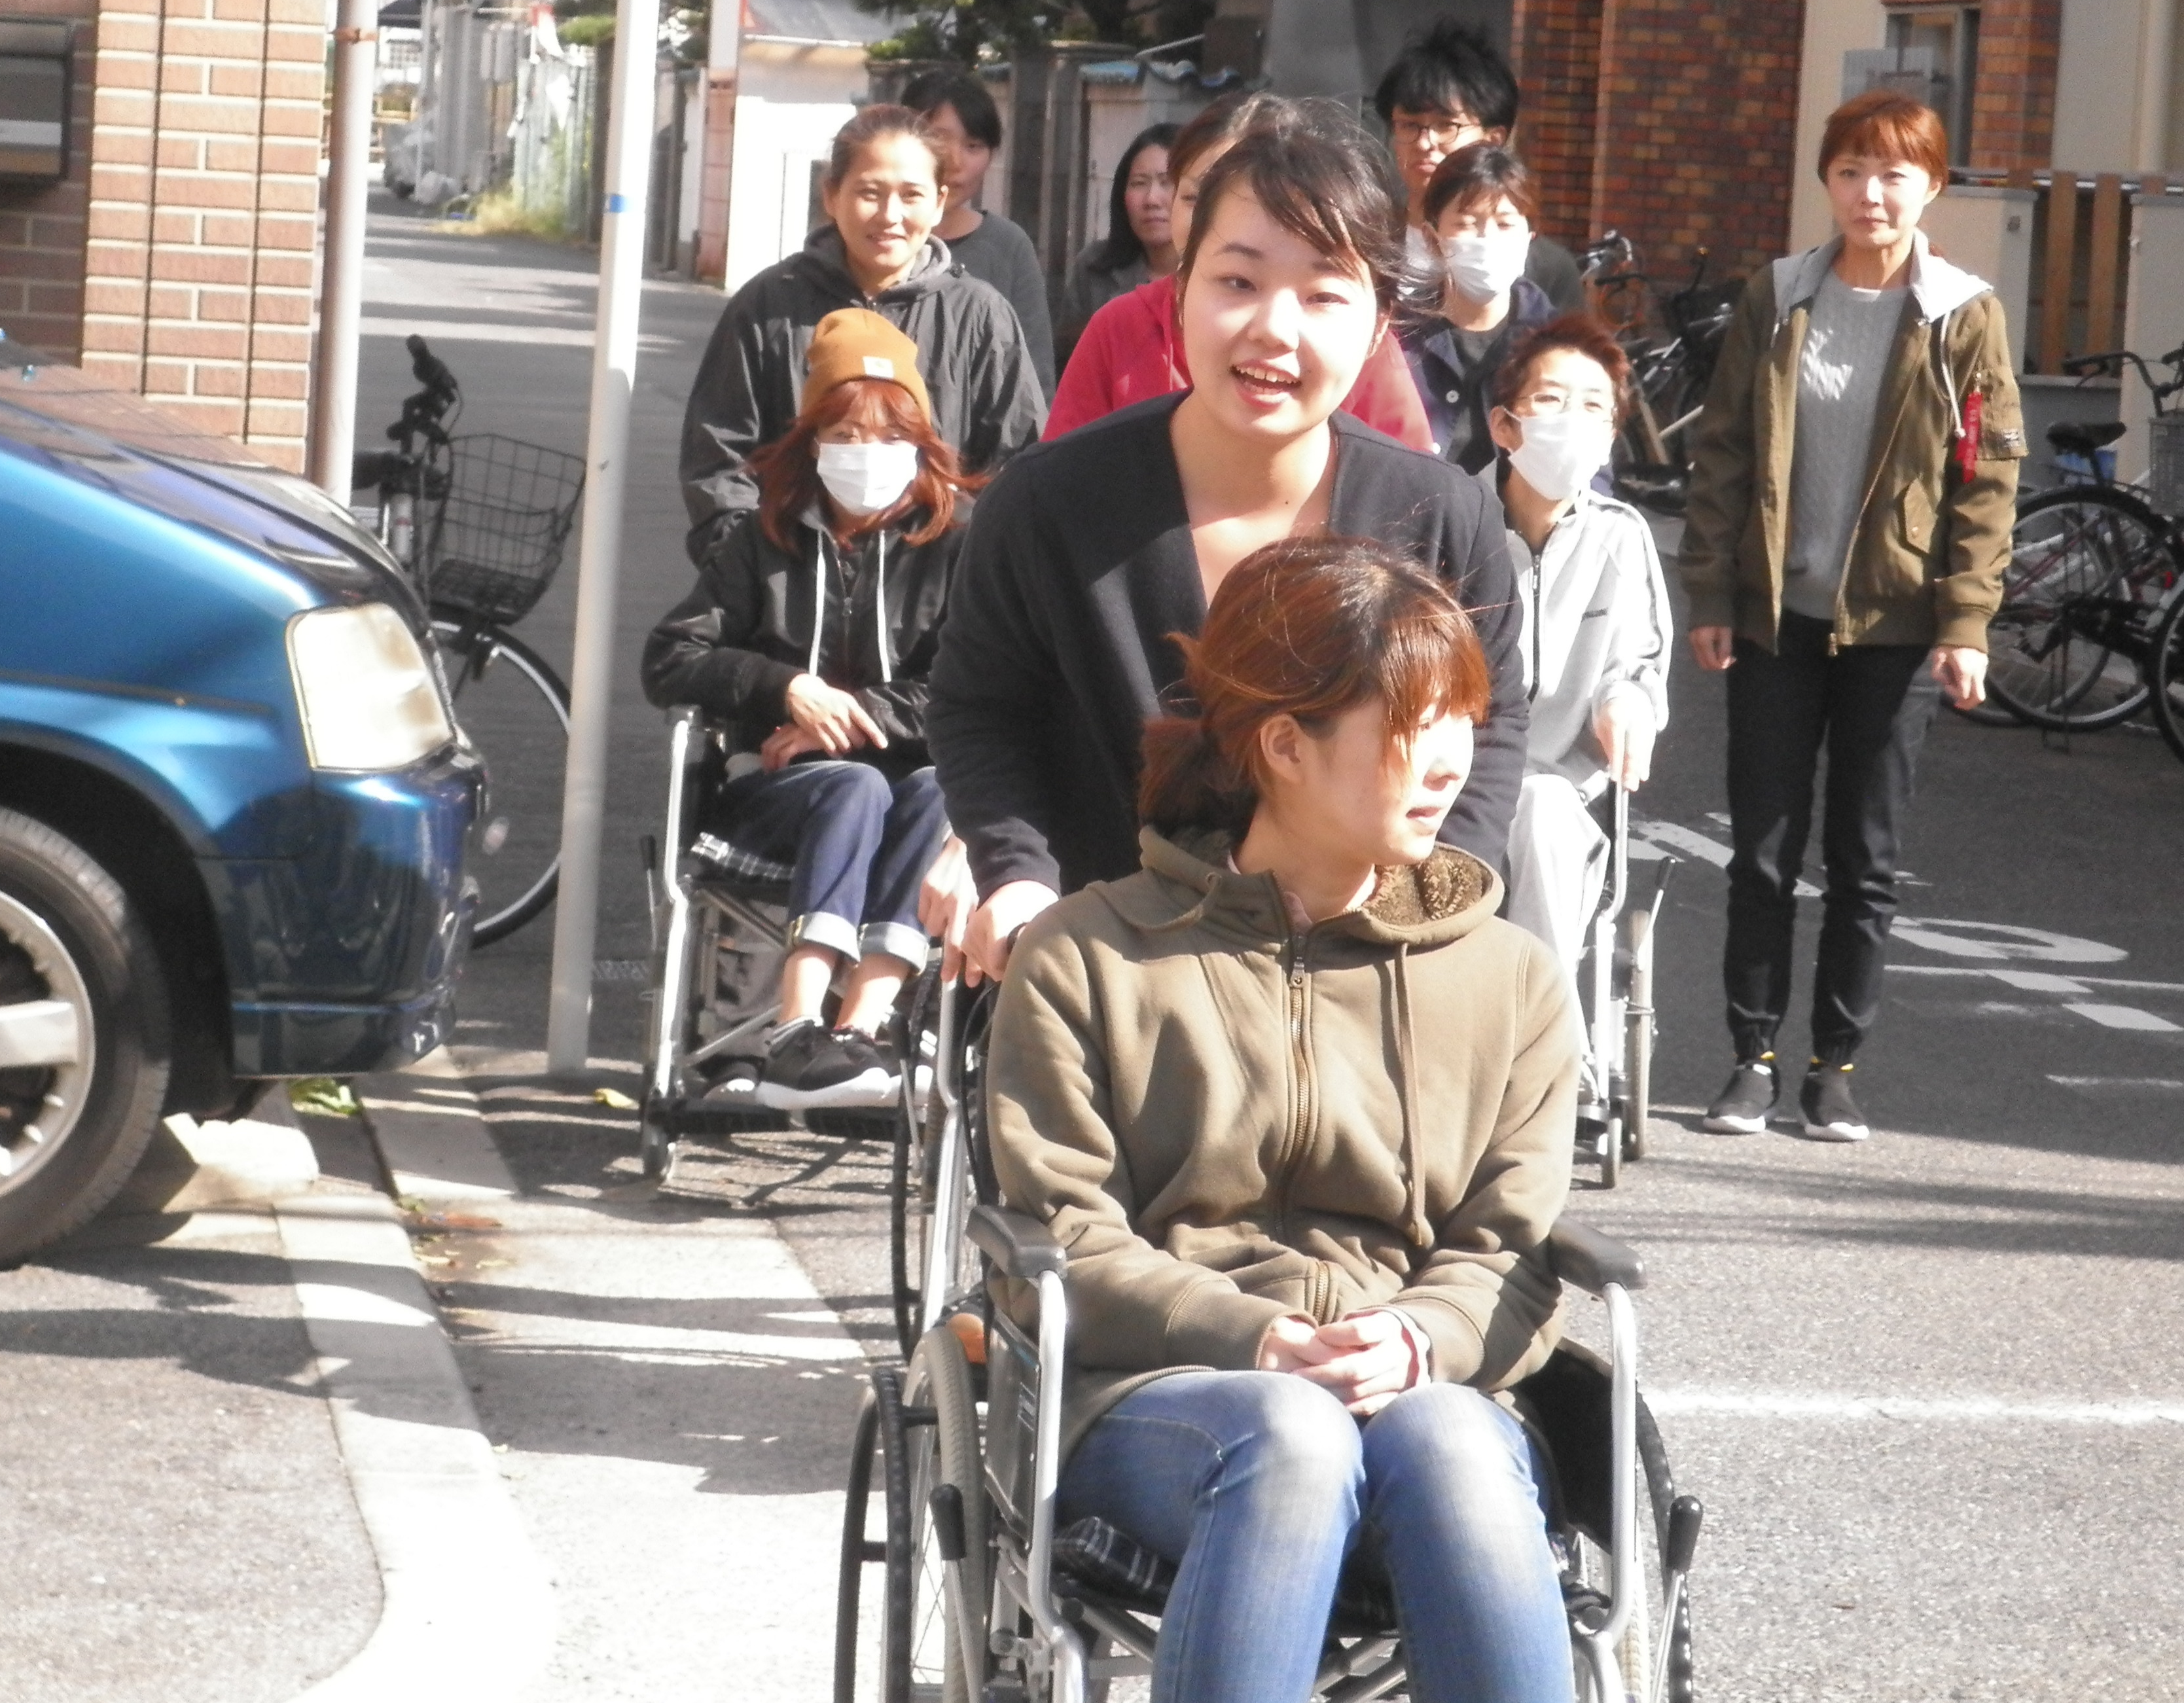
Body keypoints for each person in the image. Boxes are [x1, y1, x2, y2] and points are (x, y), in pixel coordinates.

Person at [988, 534, 1581, 1703]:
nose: (1449, 761)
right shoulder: (1088, 954)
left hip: (1422, 1389)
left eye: (1462, 720)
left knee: (1452, 1440)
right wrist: (1253, 1336)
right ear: (1283, 745)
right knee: (1290, 1436)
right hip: (1157, 1399)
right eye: (1410, 724)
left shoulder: (1508, 977)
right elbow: (1061, 1235)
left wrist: (1416, 1337)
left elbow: (1508, 1245)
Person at [925, 100, 1528, 984]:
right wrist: (1017, 875)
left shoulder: (1442, 515)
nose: (1273, 329)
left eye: (1323, 294)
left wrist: (1429, 907)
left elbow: (1491, 722)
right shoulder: (1047, 504)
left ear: (1377, 325)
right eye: (1237, 282)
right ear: (1178, 293)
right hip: (1106, 981)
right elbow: (979, 708)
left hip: (1359, 978)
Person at [1679, 89, 2024, 1143]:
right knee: (1762, 853)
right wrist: (1714, 592)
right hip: (1778, 617)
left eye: (1895, 174)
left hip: (1899, 626)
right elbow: (1724, 450)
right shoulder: (1780, 293)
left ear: (1933, 186)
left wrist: (1966, 623)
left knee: (1865, 863)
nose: (1872, 193)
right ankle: (1751, 1059)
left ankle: (1835, 1069)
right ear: (1826, 181)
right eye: (1850, 172)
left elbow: (1987, 480)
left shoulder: (1962, 313)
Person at [643, 312, 974, 1109]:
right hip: (776, 795)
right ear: (813, 442)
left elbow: (969, 684)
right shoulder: (760, 540)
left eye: (887, 434)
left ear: (920, 443)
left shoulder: (958, 546)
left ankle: (856, 1032)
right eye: (845, 434)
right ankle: (795, 1032)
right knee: (850, 787)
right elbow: (669, 658)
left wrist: (851, 713)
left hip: (906, 792)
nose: (866, 453)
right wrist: (783, 687)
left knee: (930, 790)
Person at [677, 103, 1044, 560]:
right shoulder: (768, 307)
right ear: (832, 195)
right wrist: (753, 569)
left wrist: (964, 568)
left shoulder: (979, 316)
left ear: (939, 202)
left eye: (911, 195)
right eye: (870, 193)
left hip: (937, 591)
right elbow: (719, 458)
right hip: (787, 584)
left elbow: (1016, 464)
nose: (890, 215)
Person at [1483, 313, 1672, 1105]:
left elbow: (1638, 663)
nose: (1572, 421)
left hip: (1563, 790)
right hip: (1453, 783)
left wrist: (1626, 702)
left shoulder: (1620, 537)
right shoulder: (1452, 520)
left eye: (1594, 407)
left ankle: (1547, 1057)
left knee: (1540, 808)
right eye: (1551, 400)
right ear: (1505, 426)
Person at [1043, 92, 1433, 451]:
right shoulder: (1119, 325)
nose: (1275, 331)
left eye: (1322, 296)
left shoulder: (1352, 337)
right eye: (1196, 197)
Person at [1373, 17, 1584, 314]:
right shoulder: (1368, 244)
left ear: (1494, 139)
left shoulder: (1546, 269)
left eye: (1447, 126)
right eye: (1409, 125)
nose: (1425, 143)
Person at [1395, 143, 1559, 471]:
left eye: (1505, 224)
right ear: (1432, 239)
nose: (1487, 239)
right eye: (1466, 224)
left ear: (1530, 237)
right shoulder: (1395, 336)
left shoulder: (1557, 345)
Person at [900, 69, 1057, 396]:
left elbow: (1034, 380)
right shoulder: (874, 240)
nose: (955, 161)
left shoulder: (1008, 247)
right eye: (938, 140)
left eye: (974, 146)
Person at [1056, 119, 1182, 365]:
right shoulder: (1095, 268)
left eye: (1167, 182)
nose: (1152, 199)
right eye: (1139, 183)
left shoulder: (1217, 273)